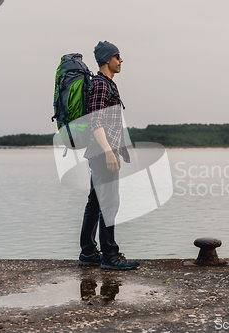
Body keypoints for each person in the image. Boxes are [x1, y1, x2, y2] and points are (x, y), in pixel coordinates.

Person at [78, 41, 139, 270]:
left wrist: (119, 149)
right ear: (107, 60)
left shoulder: (106, 84)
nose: (121, 61)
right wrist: (108, 153)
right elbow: (95, 121)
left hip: (100, 152)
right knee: (109, 204)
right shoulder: (102, 85)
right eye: (117, 57)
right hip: (101, 154)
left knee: (95, 203)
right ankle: (110, 256)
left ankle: (88, 253)